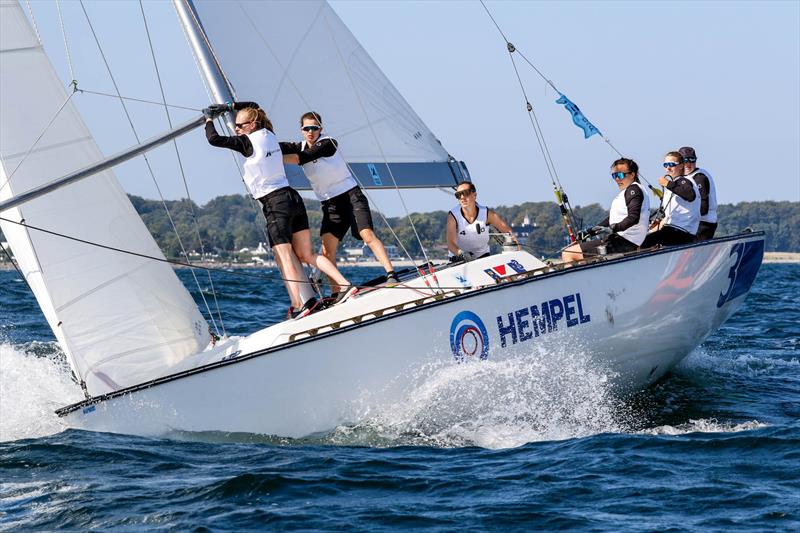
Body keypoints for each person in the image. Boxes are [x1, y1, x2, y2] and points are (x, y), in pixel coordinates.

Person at [203, 102, 353, 317]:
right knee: (306, 254)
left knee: (284, 257)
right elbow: (255, 105)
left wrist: (208, 119)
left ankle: (299, 305)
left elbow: (213, 139)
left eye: (240, 125)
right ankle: (345, 284)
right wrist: (231, 106)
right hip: (293, 198)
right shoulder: (270, 134)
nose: (236, 129)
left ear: (252, 124)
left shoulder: (247, 142)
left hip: (275, 203)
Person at [279, 112, 399, 287]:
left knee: (368, 235)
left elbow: (303, 158)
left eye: (314, 128)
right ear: (301, 130)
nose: (311, 132)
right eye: (307, 128)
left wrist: (275, 159)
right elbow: (276, 147)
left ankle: (391, 274)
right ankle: (338, 291)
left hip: (351, 196)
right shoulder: (299, 146)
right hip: (330, 204)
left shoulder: (329, 143)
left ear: (321, 128)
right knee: (327, 249)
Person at [562, 158, 649, 262]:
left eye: (620, 175)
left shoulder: (633, 190)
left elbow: (633, 217)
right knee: (582, 259)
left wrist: (614, 228)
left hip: (623, 242)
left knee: (569, 254)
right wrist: (590, 231)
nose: (617, 179)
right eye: (614, 176)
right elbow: (612, 219)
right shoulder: (629, 191)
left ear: (632, 174)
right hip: (620, 240)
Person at [641, 151, 700, 248]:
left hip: (682, 231)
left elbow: (690, 195)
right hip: (673, 230)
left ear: (681, 166)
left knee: (645, 243)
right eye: (665, 165)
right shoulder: (675, 184)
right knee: (644, 240)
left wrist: (668, 184)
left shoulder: (684, 180)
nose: (668, 168)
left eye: (672, 165)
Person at [447, 181, 516, 261]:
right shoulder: (453, 215)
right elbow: (450, 243)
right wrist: (462, 254)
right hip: (459, 258)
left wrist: (519, 257)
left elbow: (509, 233)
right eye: (458, 195)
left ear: (474, 195)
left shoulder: (487, 213)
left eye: (466, 193)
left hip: (483, 257)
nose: (462, 197)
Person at [679, 146, 718, 240]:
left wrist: (683, 217)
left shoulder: (699, 177)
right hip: (693, 223)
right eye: (685, 161)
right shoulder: (685, 177)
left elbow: (704, 209)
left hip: (704, 224)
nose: (688, 164)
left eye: (692, 160)